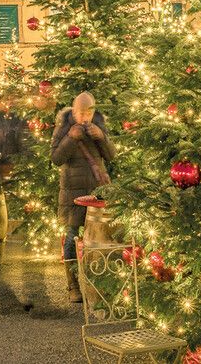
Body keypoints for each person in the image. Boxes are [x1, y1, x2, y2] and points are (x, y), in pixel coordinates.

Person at [51, 92, 115, 304]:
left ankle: (97, 283)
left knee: (98, 237)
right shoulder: (64, 127)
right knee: (72, 236)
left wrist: (102, 138)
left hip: (96, 193)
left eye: (89, 112)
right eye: (81, 112)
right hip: (72, 194)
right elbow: (56, 158)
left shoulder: (98, 126)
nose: (85, 116)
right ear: (74, 110)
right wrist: (71, 138)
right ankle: (73, 285)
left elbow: (111, 155)